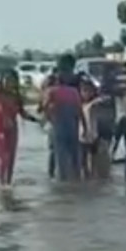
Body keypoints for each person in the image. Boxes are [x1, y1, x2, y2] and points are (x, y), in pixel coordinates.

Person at [0, 68, 38, 187]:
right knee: (3, 157)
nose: (10, 83)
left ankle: (8, 183)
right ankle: (1, 184)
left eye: (12, 80)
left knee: (11, 159)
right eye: (7, 80)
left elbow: (23, 113)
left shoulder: (16, 97)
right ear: (2, 80)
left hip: (13, 131)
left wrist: (36, 120)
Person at [43, 54, 87, 182]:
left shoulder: (71, 90)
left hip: (66, 128)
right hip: (62, 128)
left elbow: (79, 110)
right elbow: (44, 107)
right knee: (61, 156)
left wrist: (84, 127)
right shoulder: (54, 89)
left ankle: (64, 183)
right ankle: (58, 180)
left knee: (69, 158)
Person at [79, 79, 112, 179]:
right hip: (81, 137)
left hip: (93, 136)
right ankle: (88, 179)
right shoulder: (80, 105)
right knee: (83, 162)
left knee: (94, 161)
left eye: (88, 91)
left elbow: (105, 99)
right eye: (84, 91)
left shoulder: (94, 104)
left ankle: (93, 178)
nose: (86, 93)